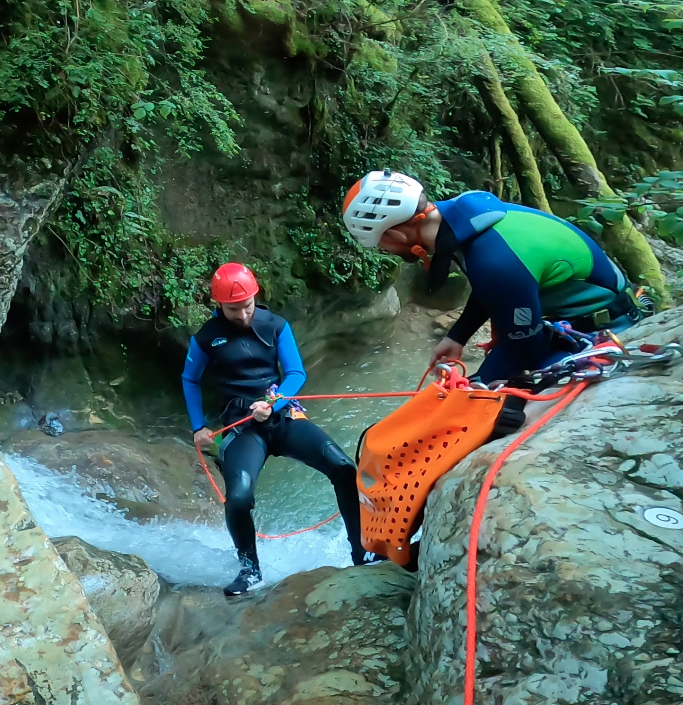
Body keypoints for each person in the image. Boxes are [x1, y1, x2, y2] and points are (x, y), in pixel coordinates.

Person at [342, 169, 651, 429]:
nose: (385, 251)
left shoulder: (494, 261)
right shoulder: (461, 218)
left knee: (480, 415)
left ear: (397, 236)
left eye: (382, 244)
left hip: (606, 329)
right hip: (578, 316)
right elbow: (491, 288)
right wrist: (457, 336)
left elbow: (523, 349)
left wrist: (470, 388)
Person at [181, 263, 377, 596]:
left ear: (255, 297)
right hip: (242, 427)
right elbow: (190, 379)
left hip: (282, 416)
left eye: (247, 306)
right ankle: (250, 570)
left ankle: (362, 552)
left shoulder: (275, 325)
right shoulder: (205, 339)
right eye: (233, 309)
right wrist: (198, 426)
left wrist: (273, 403)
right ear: (219, 305)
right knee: (239, 498)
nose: (243, 315)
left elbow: (296, 373)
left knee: (344, 468)